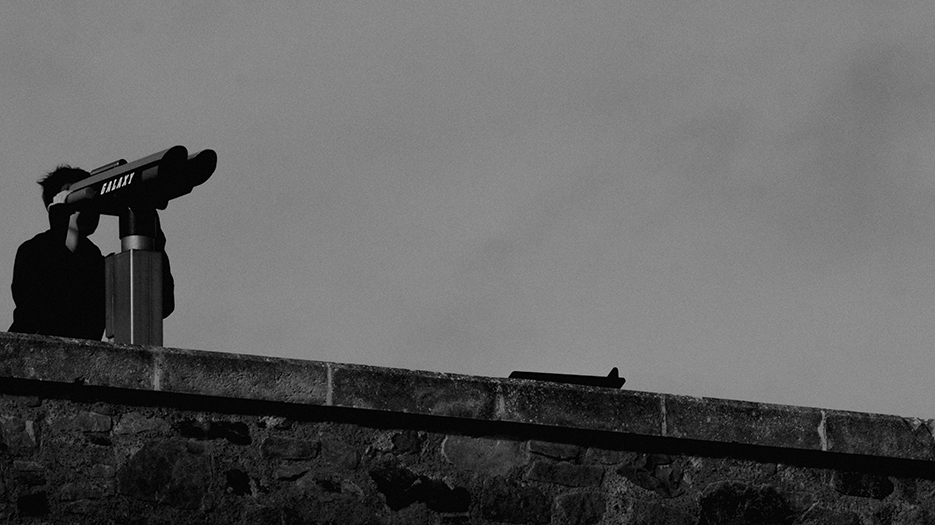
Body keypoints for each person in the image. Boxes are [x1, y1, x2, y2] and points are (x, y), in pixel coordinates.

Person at [8, 165, 174, 340]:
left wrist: (154, 237)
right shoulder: (33, 252)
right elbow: (45, 307)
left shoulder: (97, 266)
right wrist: (59, 225)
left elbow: (159, 306)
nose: (90, 210)